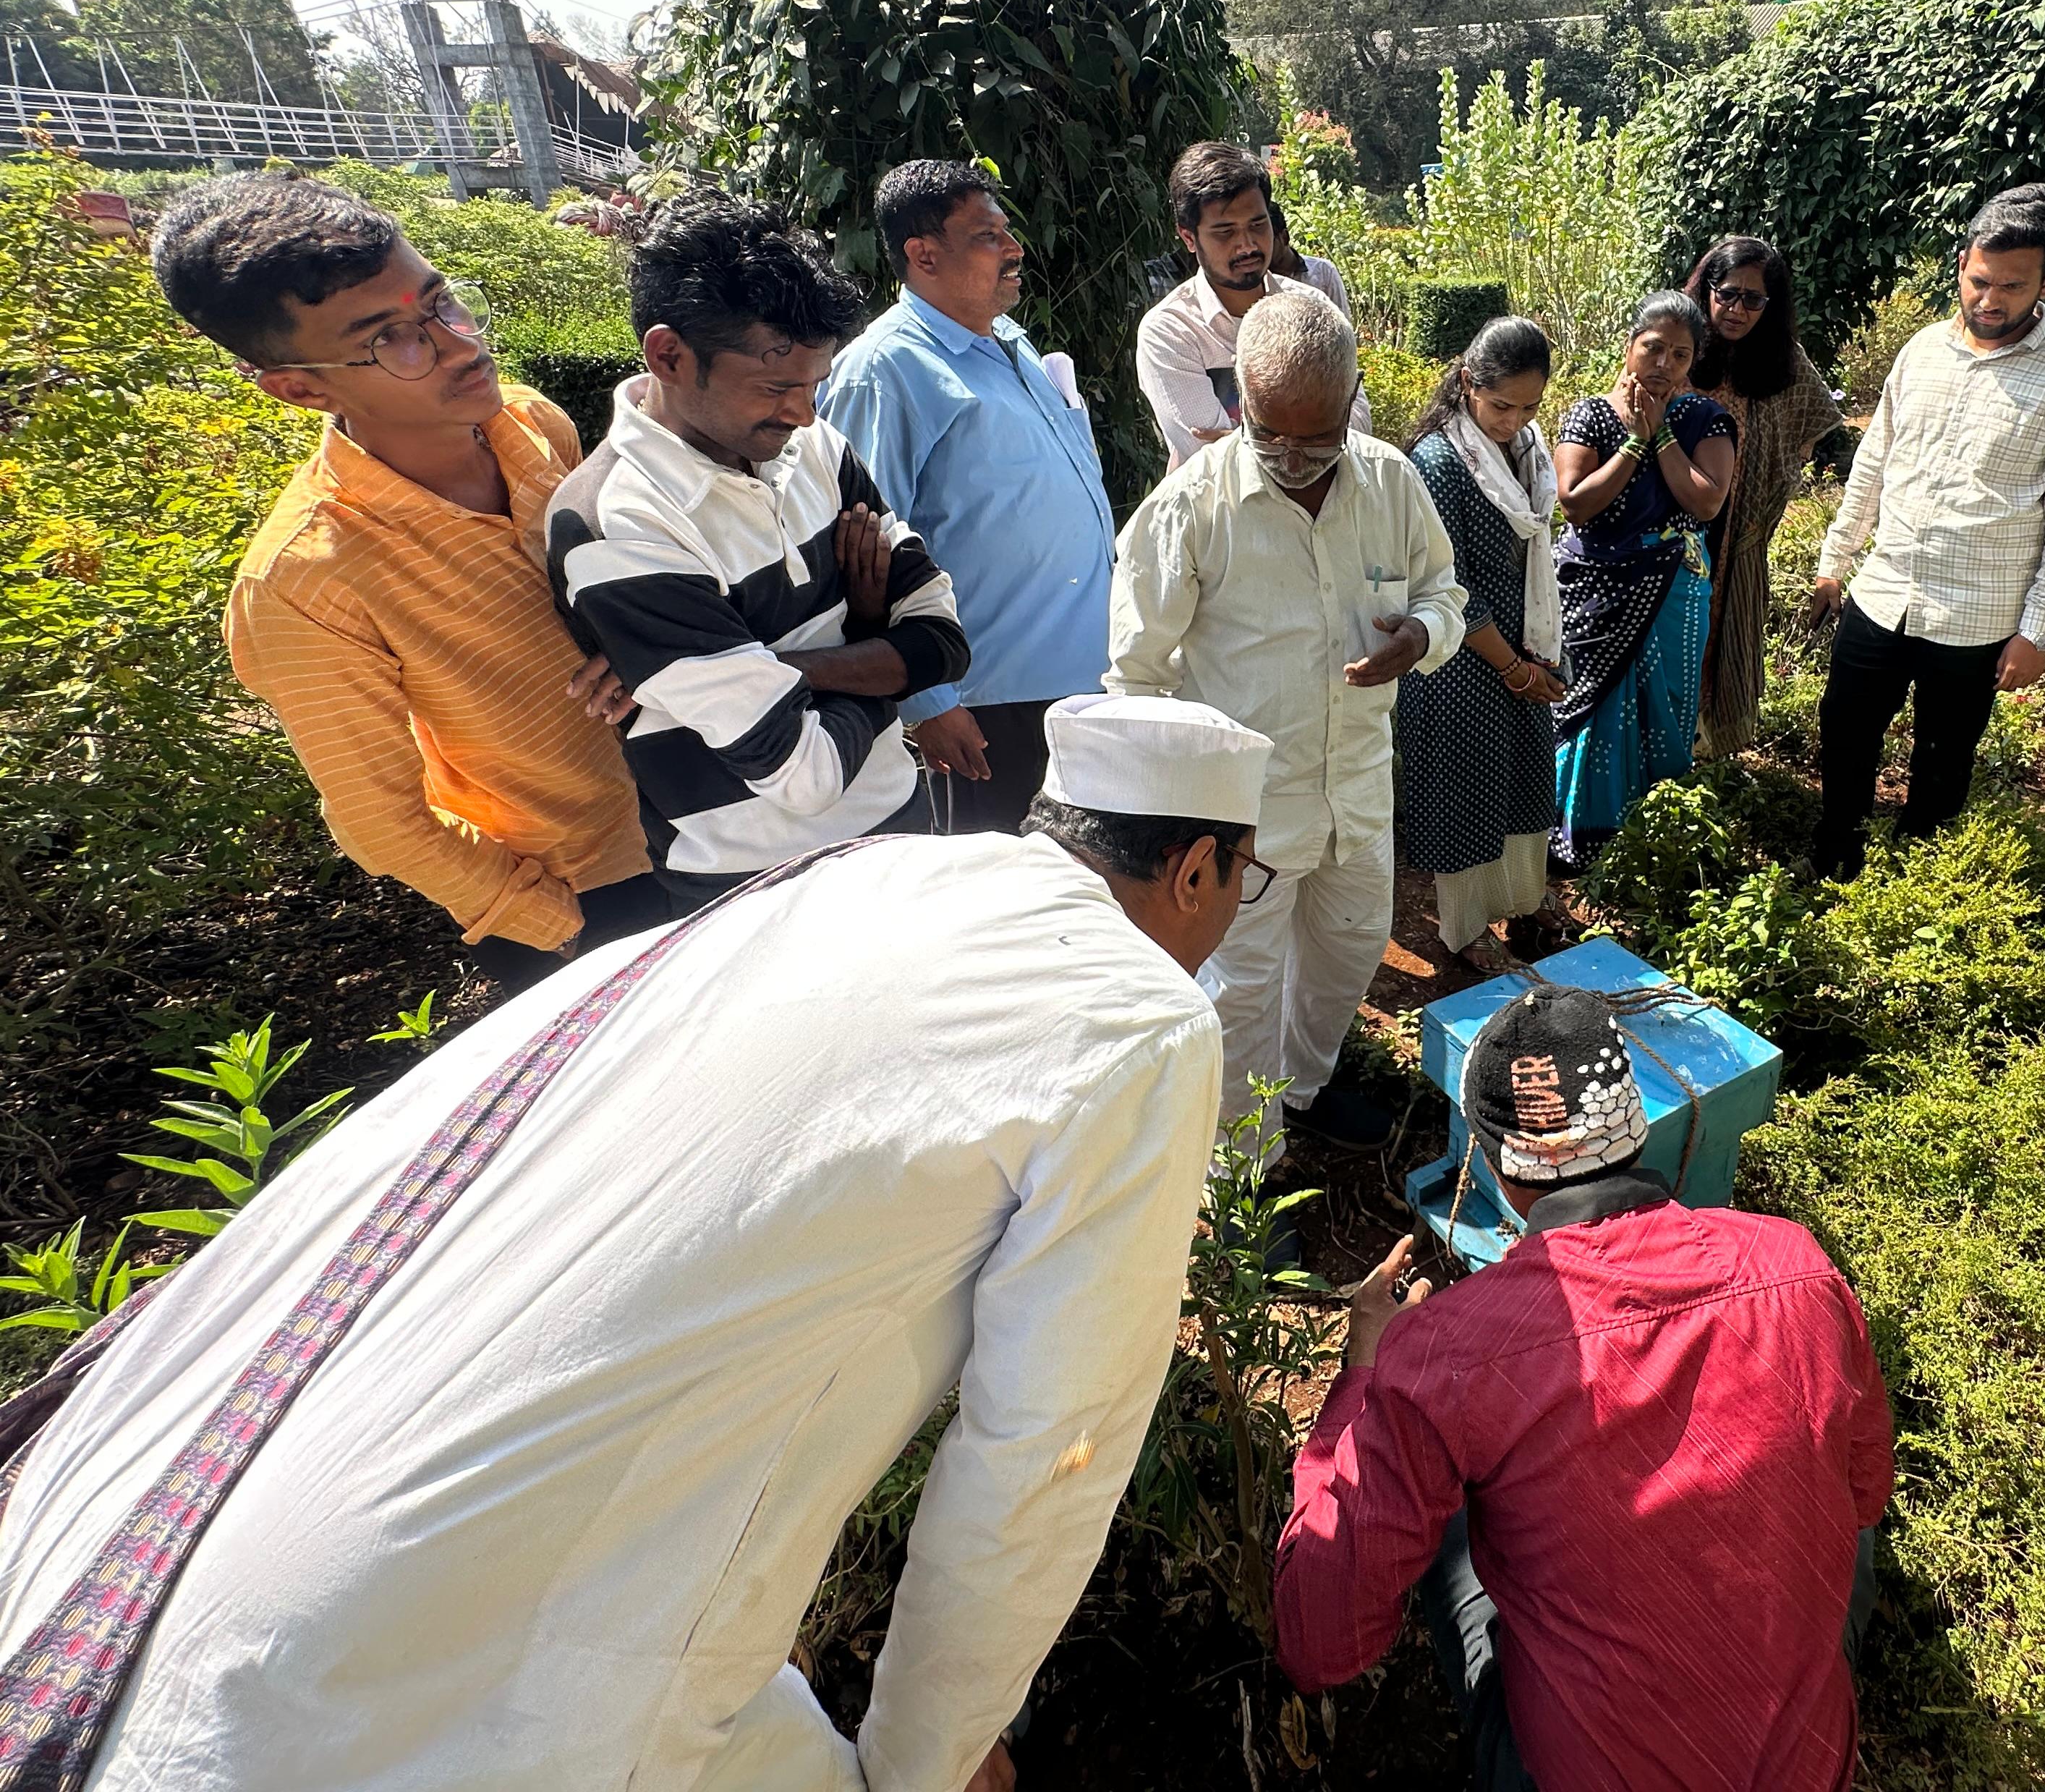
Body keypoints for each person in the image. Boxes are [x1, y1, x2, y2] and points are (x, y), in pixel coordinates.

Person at [0, 693, 1272, 1792]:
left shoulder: (852, 880)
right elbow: (1046, 1452)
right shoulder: (1137, 1019)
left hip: (128, 1520)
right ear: (1197, 869)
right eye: (1244, 884)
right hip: (399, 1673)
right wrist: (927, 1757)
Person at [1275, 983, 1896, 1792]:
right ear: (1634, 1123)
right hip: (1809, 1764)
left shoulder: (1446, 1352)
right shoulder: (1794, 1262)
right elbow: (1866, 1491)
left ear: (1492, 1158)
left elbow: (1319, 1642)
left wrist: (1364, 1378)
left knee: (1445, 1506)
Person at [161, 173, 664, 1002]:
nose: (460, 345)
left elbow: (613, 582)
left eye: (442, 303)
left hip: (694, 801)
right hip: (581, 894)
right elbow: (382, 821)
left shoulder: (532, 425)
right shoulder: (305, 581)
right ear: (300, 387)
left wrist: (640, 649)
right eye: (392, 339)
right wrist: (555, 925)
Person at [1110, 286, 1468, 1158]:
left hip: (1356, 796)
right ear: (1239, 401)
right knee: (1240, 992)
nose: (1295, 458)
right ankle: (1248, 1165)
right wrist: (1169, 827)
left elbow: (1443, 591)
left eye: (1319, 437)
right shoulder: (1190, 509)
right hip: (1243, 822)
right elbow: (1135, 678)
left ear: (1352, 403)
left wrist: (1421, 635)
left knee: (1349, 955)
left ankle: (1304, 1089)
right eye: (1271, 434)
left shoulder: (1392, 483)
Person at [548, 195, 968, 911]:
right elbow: (805, 775)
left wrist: (772, 666)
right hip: (754, 892)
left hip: (902, 829)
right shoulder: (618, 524)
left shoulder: (816, 447)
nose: (803, 413)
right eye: (776, 387)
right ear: (668, 356)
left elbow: (946, 642)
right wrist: (874, 638)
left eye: (814, 385)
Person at [1806, 184, 2045, 881]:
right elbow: (1874, 463)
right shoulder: (1922, 352)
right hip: (1885, 592)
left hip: (1979, 615)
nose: (1990, 300)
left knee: (1944, 758)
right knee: (1845, 729)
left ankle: (1918, 878)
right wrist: (1834, 561)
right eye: (1979, 281)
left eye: (2012, 286)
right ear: (1962, 267)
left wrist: (2038, 631)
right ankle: (1836, 854)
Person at [820, 160, 1116, 833]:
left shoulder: (1009, 341)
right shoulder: (885, 371)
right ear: (923, 255)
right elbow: (864, 552)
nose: (1014, 249)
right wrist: (928, 701)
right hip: (983, 707)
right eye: (988, 236)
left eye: (1006, 232)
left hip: (1079, 689)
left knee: (1073, 885)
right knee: (998, 885)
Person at [1395, 318, 1565, 969]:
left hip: (1521, 650)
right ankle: (1464, 931)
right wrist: (1515, 670)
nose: (1514, 421)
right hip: (1460, 661)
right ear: (1468, 383)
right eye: (1501, 406)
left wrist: (1530, 664)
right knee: (1464, 794)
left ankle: (1523, 899)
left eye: (1530, 407)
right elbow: (1451, 586)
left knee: (1522, 780)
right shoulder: (1438, 463)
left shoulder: (1526, 449)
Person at [1551, 290, 1737, 862]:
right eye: (1653, 348)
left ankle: (1655, 840)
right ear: (1630, 345)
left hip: (1673, 590)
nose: (1663, 364)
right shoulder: (1590, 414)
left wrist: (1662, 436)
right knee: (1590, 705)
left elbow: (1706, 502)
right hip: (1596, 588)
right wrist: (1634, 440)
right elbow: (1575, 503)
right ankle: (1580, 834)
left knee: (1666, 708)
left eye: (1680, 355)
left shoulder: (1705, 420)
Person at [1685, 236, 1842, 760]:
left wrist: (1770, 478)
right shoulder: (1680, 343)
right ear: (1706, 289)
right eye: (1728, 294)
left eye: (1753, 299)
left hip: (1739, 530)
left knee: (1722, 632)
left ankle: (1706, 752)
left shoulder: (1781, 359)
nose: (1737, 310)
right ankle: (1659, 750)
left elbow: (1811, 422)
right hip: (1674, 520)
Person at [1134, 142, 1366, 472]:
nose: (1246, 246)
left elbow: (1357, 424)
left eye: (1258, 225)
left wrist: (1242, 442)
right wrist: (1313, 442)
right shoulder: (1171, 331)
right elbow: (1210, 460)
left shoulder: (1314, 308)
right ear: (1188, 238)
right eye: (1225, 232)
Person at [1267, 200, 1351, 316]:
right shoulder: (1258, 283)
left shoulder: (1324, 273)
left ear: (1285, 238)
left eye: (1268, 241)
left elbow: (1343, 321)